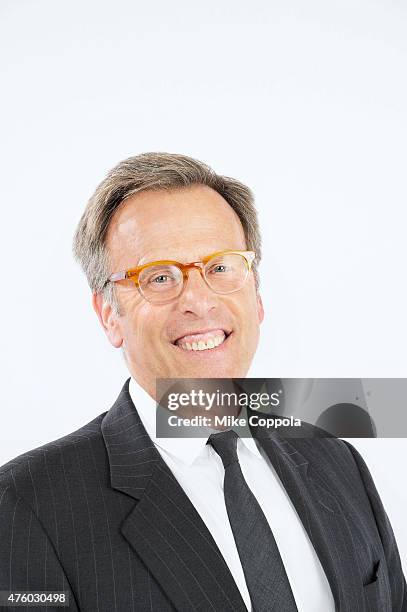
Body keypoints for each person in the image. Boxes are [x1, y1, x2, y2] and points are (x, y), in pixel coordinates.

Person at [0, 153, 405, 612]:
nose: (197, 300)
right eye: (158, 277)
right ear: (109, 314)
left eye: (220, 268)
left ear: (257, 296)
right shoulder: (27, 504)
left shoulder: (337, 462)